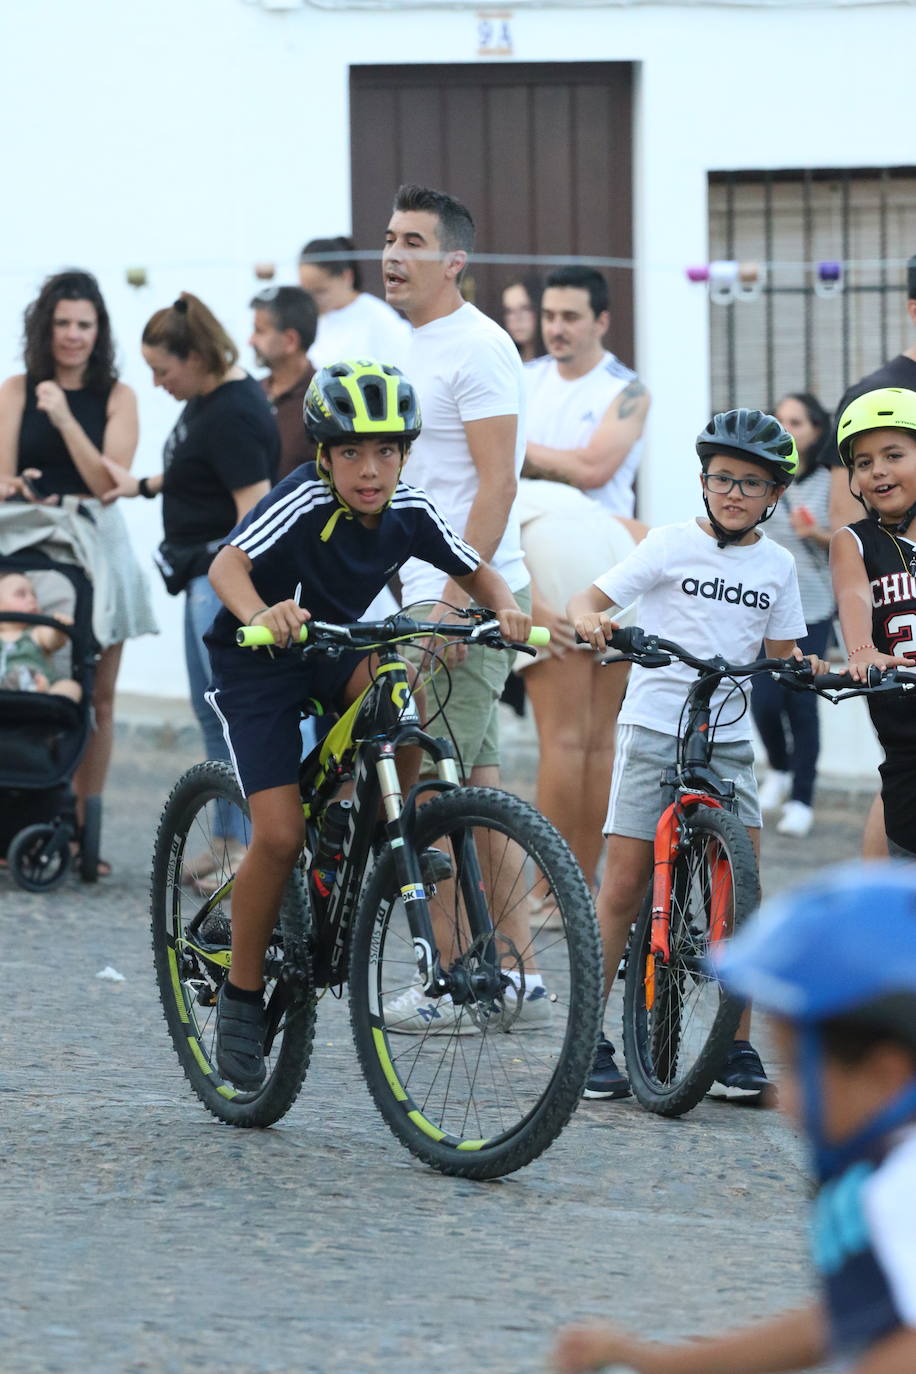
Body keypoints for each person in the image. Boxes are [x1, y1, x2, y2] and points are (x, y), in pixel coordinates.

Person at [202, 360, 530, 1088]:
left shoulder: (409, 507)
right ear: (323, 456)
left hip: (335, 644)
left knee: (399, 699)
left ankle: (383, 834)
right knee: (279, 834)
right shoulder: (301, 499)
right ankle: (243, 993)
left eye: (386, 451)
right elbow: (227, 565)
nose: (370, 469)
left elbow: (473, 565)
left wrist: (502, 606)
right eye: (350, 451)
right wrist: (261, 613)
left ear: (406, 455)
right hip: (259, 658)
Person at [552, 860, 916, 1374]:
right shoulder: (887, 1171)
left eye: (798, 1070)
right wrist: (654, 1364)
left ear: (885, 1075)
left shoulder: (901, 1188)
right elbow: (839, 1321)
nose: (780, 1099)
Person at [570, 408, 814, 1101]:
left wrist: (810, 668)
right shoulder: (670, 544)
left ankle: (734, 1050)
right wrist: (594, 620)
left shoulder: (777, 566)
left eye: (752, 483)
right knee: (621, 884)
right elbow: (591, 598)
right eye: (723, 478)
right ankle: (589, 1036)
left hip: (729, 737)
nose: (734, 492)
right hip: (655, 727)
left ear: (774, 496)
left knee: (739, 887)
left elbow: (783, 656)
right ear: (703, 481)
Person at [101, 291, 278, 871]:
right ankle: (231, 838)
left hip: (218, 583)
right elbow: (194, 469)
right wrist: (143, 487)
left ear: (197, 356)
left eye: (161, 370)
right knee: (213, 711)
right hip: (198, 576)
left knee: (232, 713)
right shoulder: (210, 400)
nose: (156, 384)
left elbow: (254, 515)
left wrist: (237, 594)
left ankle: (250, 851)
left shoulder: (234, 412)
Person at [0, 268, 157, 875]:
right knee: (25, 677)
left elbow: (107, 483)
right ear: (46, 327)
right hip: (30, 543)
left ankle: (84, 826)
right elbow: (4, 472)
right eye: (62, 323)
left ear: (100, 331)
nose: (72, 335)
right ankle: (27, 807)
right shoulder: (17, 388)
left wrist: (64, 417)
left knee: (100, 697)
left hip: (94, 544)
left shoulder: (118, 397)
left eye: (84, 325)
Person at [830, 257, 916, 859]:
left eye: (894, 455)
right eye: (866, 462)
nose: (879, 470)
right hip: (903, 718)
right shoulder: (857, 542)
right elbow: (855, 592)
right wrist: (861, 650)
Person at [752, 393, 835, 838]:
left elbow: (846, 544)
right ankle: (779, 770)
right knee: (764, 700)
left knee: (803, 703)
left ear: (816, 430)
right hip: (765, 609)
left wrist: (814, 533)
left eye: (797, 422)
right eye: (781, 420)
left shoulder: (828, 480)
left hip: (814, 607)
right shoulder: (765, 480)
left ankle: (802, 797)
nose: (788, 428)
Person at [522, 265, 650, 518]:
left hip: (598, 542)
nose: (556, 329)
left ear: (601, 322)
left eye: (570, 318)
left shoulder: (628, 392)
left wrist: (511, 450)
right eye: (549, 316)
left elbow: (591, 470)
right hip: (526, 533)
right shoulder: (520, 377)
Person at [298, 235, 410, 372]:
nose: (312, 300)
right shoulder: (308, 317)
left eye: (320, 291)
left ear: (346, 277)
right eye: (307, 292)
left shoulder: (379, 319)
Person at [248, 285, 318, 480]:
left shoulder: (324, 401)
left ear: (290, 341)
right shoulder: (250, 393)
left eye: (259, 331)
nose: (250, 341)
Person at [0, 571, 81, 701]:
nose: (32, 599)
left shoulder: (37, 632)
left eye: (34, 595)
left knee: (71, 687)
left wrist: (59, 630)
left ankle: (50, 700)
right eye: (21, 594)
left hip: (39, 689)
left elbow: (53, 642)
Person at [502, 275, 544, 363]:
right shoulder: (504, 362)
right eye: (509, 311)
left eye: (525, 308)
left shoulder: (555, 364)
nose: (517, 318)